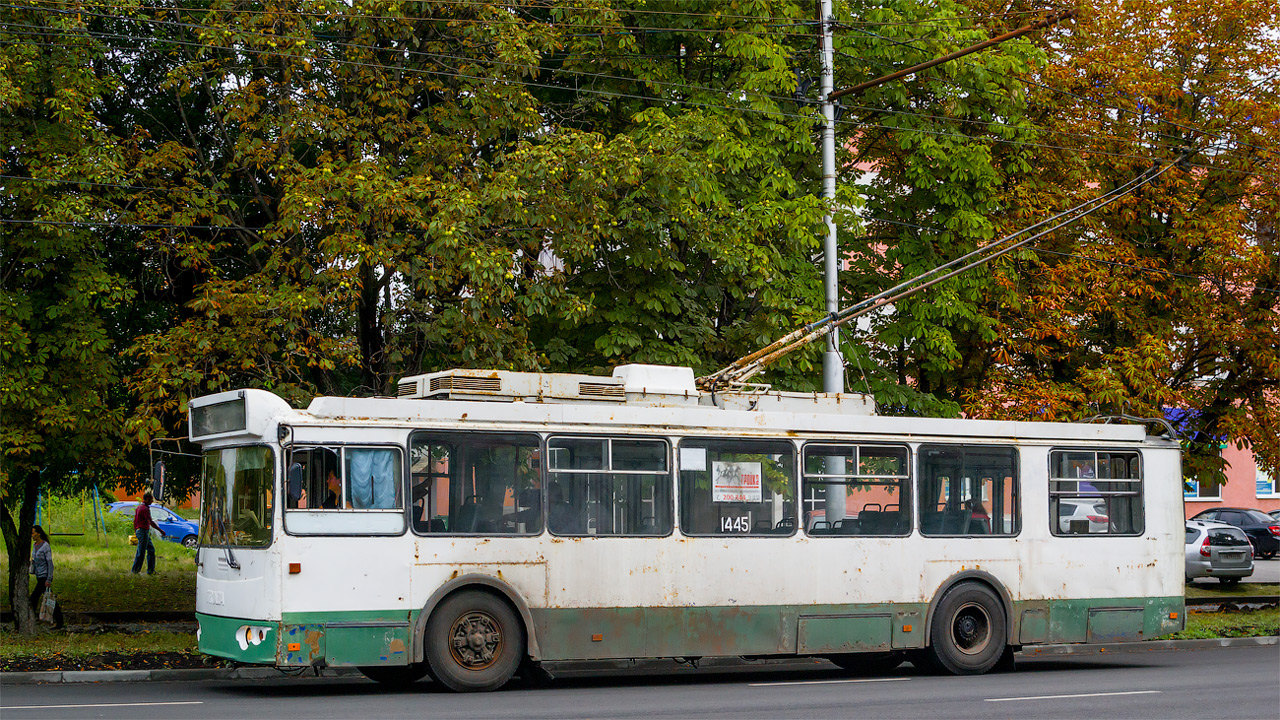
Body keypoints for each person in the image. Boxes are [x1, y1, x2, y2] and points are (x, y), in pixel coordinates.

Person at [29, 525, 63, 628]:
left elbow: (50, 563)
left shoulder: (45, 546)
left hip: (44, 576)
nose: (32, 535)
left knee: (33, 598)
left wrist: (49, 578)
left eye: (33, 533)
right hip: (39, 575)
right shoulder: (35, 546)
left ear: (39, 533)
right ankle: (59, 621)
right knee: (50, 599)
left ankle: (31, 620)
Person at [132, 492, 167, 574]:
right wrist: (160, 530)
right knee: (141, 552)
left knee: (151, 550)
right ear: (147, 499)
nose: (152, 501)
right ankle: (135, 571)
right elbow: (150, 522)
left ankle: (151, 570)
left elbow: (134, 521)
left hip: (141, 531)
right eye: (151, 499)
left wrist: (135, 531)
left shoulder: (139, 507)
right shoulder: (145, 509)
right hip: (143, 532)